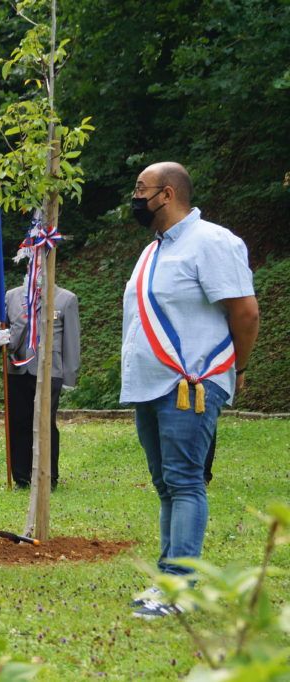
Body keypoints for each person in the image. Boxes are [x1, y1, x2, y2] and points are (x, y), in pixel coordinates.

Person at [122, 162, 258, 619]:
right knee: (166, 484)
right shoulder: (152, 250)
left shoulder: (213, 242)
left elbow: (245, 313)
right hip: (150, 385)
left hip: (190, 384)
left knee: (184, 481)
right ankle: (168, 579)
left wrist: (236, 367)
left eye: (141, 190)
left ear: (168, 192)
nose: (135, 198)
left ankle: (181, 587)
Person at [4, 283, 81, 489]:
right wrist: (1, 339)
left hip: (49, 370)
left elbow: (71, 341)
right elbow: (4, 329)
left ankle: (48, 476)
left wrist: (69, 375)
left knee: (45, 422)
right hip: (17, 368)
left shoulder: (65, 298)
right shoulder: (12, 296)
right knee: (19, 422)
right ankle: (21, 476)